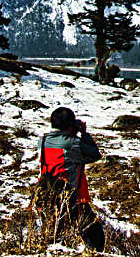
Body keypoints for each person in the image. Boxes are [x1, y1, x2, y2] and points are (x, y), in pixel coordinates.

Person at [34, 106, 105, 251]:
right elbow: (95, 154)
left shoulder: (42, 141)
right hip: (70, 199)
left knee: (56, 239)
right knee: (95, 236)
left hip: (46, 196)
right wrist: (84, 133)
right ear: (70, 125)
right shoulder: (73, 143)